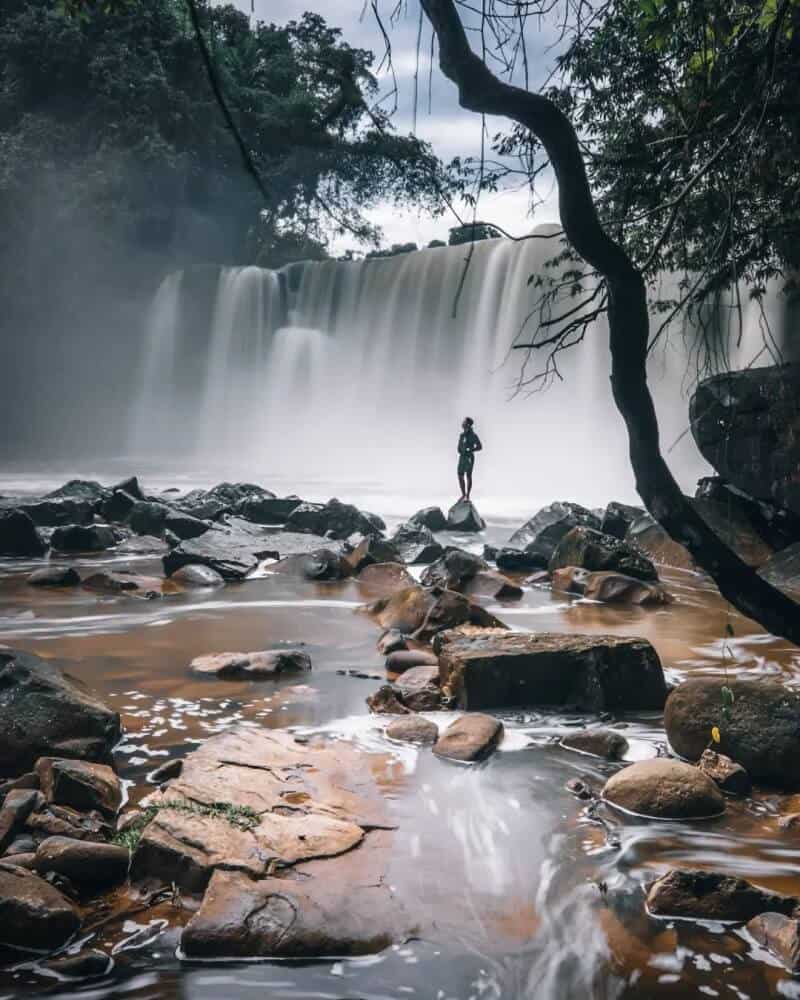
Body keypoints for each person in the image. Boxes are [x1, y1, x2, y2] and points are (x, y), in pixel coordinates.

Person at [457, 417, 482, 501]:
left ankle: (468, 495)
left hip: (469, 458)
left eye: (464, 422)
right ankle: (463, 494)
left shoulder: (473, 435)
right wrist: (459, 450)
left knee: (468, 475)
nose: (462, 423)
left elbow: (480, 446)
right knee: (460, 475)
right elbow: (459, 446)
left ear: (468, 424)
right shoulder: (462, 435)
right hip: (462, 457)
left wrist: (471, 450)